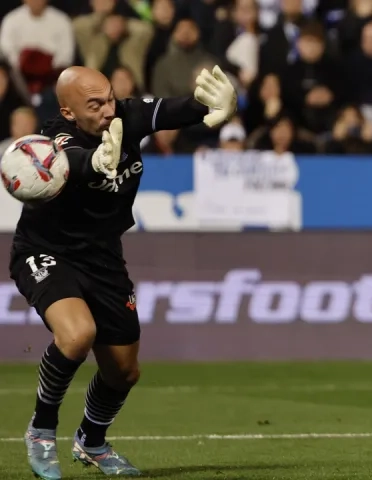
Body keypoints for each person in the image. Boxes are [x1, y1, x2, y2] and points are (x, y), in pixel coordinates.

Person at [12, 65, 236, 480]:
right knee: (78, 335)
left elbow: (178, 109)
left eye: (110, 98)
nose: (108, 109)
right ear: (68, 110)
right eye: (94, 105)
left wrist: (216, 105)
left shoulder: (124, 117)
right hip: (46, 252)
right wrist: (96, 163)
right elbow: (72, 164)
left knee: (124, 371)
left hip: (104, 258)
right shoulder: (53, 138)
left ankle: (91, 441)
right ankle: (42, 429)